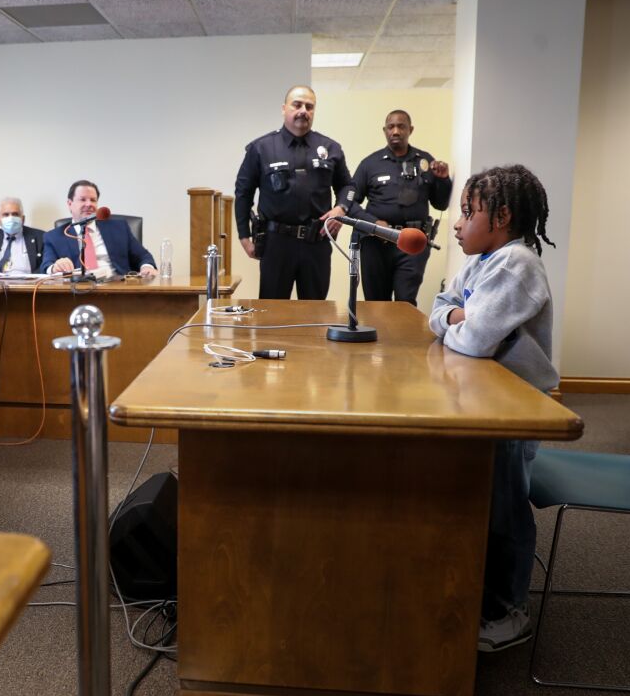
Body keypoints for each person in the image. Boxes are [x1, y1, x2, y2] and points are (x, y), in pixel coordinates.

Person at [428, 164, 558, 652]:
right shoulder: (482, 261)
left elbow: (477, 340)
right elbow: (438, 308)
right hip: (486, 396)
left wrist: (461, 320)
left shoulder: (516, 263)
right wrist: (456, 316)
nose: (457, 224)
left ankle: (509, 609)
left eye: (467, 212)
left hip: (511, 408)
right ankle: (477, 583)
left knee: (505, 507)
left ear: (502, 215)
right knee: (484, 497)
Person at [233, 85, 349, 300]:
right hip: (276, 242)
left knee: (316, 313)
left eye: (309, 106)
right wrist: (244, 236)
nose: (303, 110)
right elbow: (243, 193)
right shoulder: (262, 148)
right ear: (284, 108)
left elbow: (348, 187)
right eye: (297, 104)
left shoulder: (330, 148)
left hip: (317, 241)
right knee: (272, 313)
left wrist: (341, 208)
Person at [345, 109, 453, 307]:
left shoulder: (425, 161)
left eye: (401, 126)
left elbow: (440, 203)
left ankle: (405, 339)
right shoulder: (370, 164)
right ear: (384, 130)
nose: (395, 131)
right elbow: (349, 202)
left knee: (405, 300)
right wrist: (374, 223)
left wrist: (444, 179)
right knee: (376, 303)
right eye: (391, 127)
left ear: (410, 130)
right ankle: (380, 338)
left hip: (412, 242)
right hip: (376, 243)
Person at [42, 180, 157, 277]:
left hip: (118, 288)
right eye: (82, 199)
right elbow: (46, 265)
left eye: (93, 200)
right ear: (69, 203)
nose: (89, 204)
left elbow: (143, 256)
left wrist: (147, 267)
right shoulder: (54, 236)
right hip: (76, 291)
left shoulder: (119, 228)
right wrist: (55, 267)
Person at [0, 196, 45, 274]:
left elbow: (44, 266)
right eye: (6, 214)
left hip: (29, 284)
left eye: (15, 214)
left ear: (23, 219)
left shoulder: (40, 237)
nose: (11, 218)